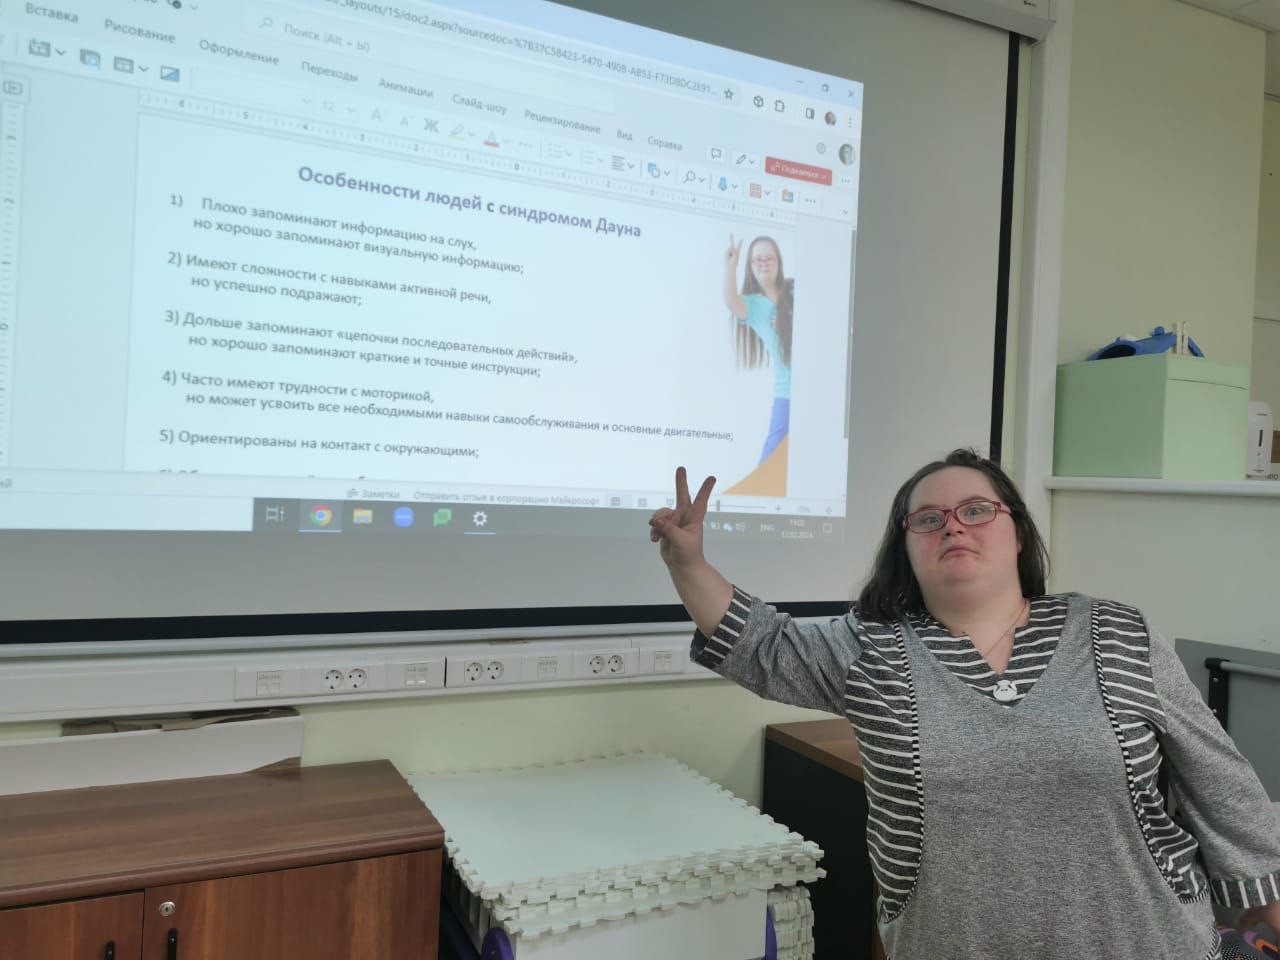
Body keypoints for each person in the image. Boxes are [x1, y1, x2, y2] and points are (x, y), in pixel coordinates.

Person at [648, 450, 1280, 960]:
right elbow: (762, 646)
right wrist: (687, 562)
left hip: (1149, 940)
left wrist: (1266, 900)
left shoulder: (1117, 632)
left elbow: (1217, 774)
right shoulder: (870, 649)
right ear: (906, 547)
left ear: (1017, 532)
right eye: (928, 519)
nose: (952, 525)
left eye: (976, 510)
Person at [723, 233, 794, 464]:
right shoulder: (752, 305)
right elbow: (731, 301)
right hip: (787, 391)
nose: (764, 263)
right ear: (750, 265)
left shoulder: (794, 290)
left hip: (816, 387)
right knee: (772, 454)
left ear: (778, 262)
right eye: (757, 260)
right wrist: (731, 266)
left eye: (769, 258)